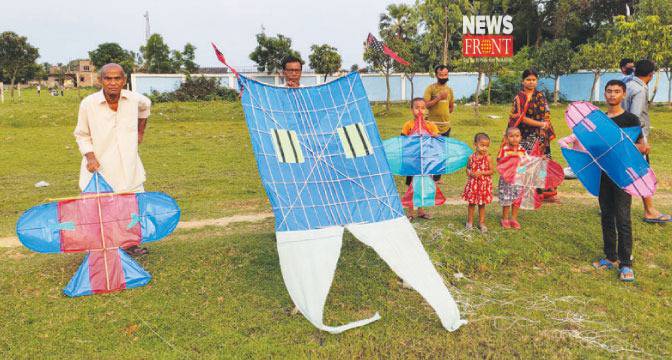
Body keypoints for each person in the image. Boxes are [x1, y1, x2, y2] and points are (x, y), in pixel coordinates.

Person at [74, 63, 152, 256]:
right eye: (108, 78)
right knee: (101, 208)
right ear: (100, 81)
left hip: (129, 164)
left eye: (117, 78)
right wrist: (90, 157)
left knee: (130, 206)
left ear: (124, 81)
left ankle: (130, 245)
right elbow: (81, 134)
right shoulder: (88, 103)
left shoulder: (134, 99)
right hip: (100, 166)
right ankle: (103, 248)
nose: (113, 83)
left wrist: (140, 131)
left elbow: (146, 106)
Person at [592, 80, 650, 282]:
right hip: (603, 173)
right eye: (609, 91)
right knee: (606, 214)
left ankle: (626, 263)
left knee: (623, 217)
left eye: (617, 91)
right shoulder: (599, 119)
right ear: (605, 94)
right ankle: (611, 257)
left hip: (623, 174)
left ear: (623, 95)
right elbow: (593, 145)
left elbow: (643, 147)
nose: (612, 95)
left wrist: (631, 147)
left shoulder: (630, 119)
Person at [622, 59, 671, 223]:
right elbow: (635, 117)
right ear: (651, 75)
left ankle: (612, 206)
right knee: (643, 172)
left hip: (622, 134)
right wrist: (641, 141)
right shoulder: (640, 90)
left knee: (623, 170)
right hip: (635, 137)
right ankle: (649, 211)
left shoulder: (626, 85)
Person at [508, 69, 557, 199]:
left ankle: (542, 190)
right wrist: (540, 124)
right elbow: (520, 117)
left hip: (541, 135)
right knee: (525, 162)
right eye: (528, 80)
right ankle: (523, 190)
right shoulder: (519, 98)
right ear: (523, 81)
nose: (531, 82)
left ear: (537, 81)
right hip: (524, 135)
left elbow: (547, 112)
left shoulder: (540, 95)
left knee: (542, 162)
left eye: (533, 80)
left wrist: (545, 124)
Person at [402, 98, 439, 220]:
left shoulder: (430, 125)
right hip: (412, 163)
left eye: (423, 108)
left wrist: (434, 136)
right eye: (416, 107)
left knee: (423, 186)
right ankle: (411, 213)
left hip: (425, 162)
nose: (420, 110)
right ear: (412, 110)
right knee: (412, 186)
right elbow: (403, 141)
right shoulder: (408, 125)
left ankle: (421, 211)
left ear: (426, 110)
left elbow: (438, 141)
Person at [424, 65, 454, 183]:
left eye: (445, 75)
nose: (443, 77)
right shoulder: (430, 89)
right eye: (441, 75)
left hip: (446, 126)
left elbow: (451, 107)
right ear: (436, 75)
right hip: (432, 126)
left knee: (442, 152)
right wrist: (438, 98)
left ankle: (438, 178)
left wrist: (446, 109)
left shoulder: (450, 90)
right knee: (432, 151)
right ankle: (429, 174)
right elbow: (425, 104)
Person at [462, 132, 493, 233]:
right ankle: (469, 222)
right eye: (482, 145)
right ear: (475, 144)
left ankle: (481, 223)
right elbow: (467, 169)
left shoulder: (488, 158)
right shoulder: (471, 157)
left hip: (483, 185)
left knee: (482, 205)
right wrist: (470, 173)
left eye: (486, 146)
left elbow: (492, 171)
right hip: (473, 184)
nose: (484, 148)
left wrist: (482, 172)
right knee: (471, 204)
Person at [497, 127, 526, 230]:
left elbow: (525, 163)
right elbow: (499, 161)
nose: (514, 138)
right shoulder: (504, 149)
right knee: (507, 199)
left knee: (516, 199)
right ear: (506, 138)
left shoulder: (522, 149)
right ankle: (505, 219)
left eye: (517, 136)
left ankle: (513, 219)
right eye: (511, 136)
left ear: (520, 137)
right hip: (507, 180)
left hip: (519, 179)